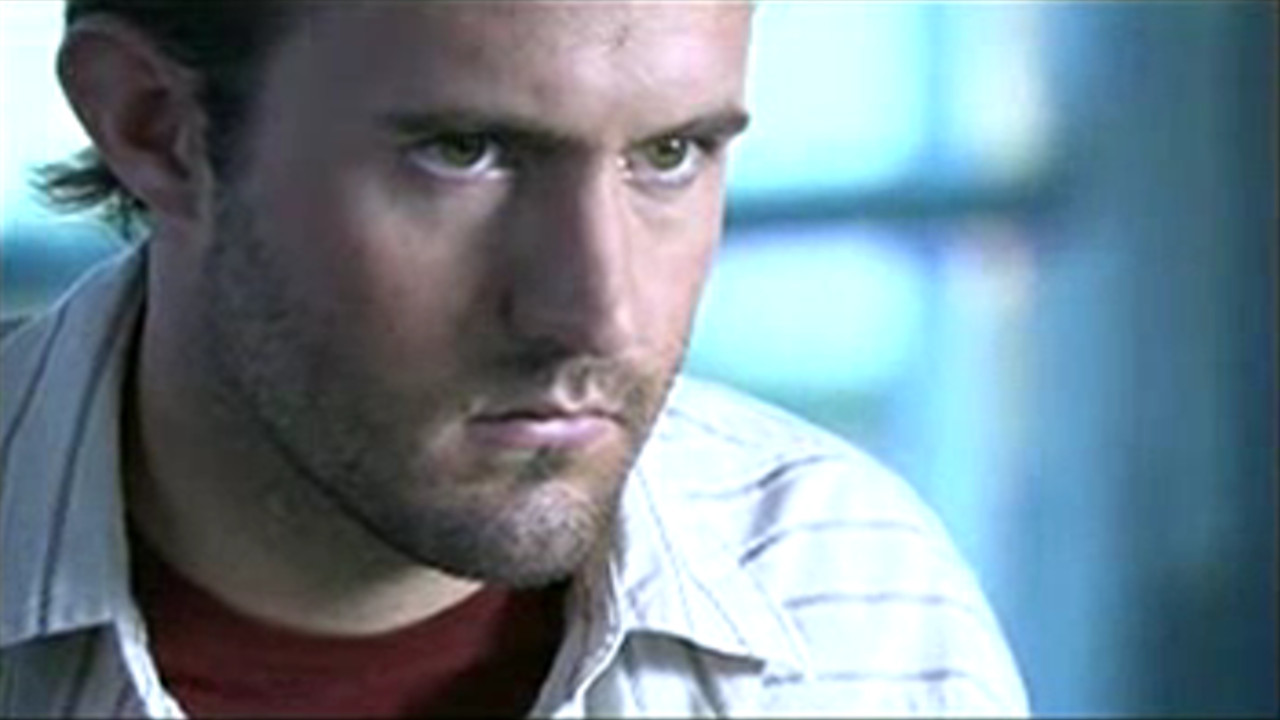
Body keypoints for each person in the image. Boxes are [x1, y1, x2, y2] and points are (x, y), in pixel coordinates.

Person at [0, 1, 1029, 716]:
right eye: (463, 151)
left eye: (669, 155)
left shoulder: (854, 605)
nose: (597, 316)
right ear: (156, 129)